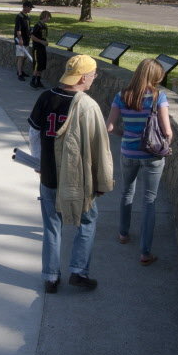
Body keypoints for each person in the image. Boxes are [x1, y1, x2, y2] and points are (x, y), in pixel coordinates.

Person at [28, 54, 113, 293]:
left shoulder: (46, 97)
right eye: (94, 75)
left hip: (49, 176)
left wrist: (38, 161)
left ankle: (51, 277)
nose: (94, 79)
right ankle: (78, 270)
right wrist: (101, 180)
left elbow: (34, 132)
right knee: (87, 219)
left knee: (52, 226)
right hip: (77, 179)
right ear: (84, 77)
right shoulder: (87, 105)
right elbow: (99, 146)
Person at [106, 58, 173, 266]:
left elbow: (109, 126)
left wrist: (123, 134)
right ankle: (145, 251)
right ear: (154, 77)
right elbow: (167, 131)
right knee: (149, 200)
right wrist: (164, 144)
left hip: (128, 152)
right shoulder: (158, 97)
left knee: (127, 191)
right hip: (151, 154)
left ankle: (123, 233)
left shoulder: (121, 96)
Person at [29, 10, 52, 88]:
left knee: (42, 65)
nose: (49, 19)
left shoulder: (44, 26)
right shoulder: (37, 25)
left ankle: (38, 81)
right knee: (37, 65)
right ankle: (33, 81)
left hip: (42, 48)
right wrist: (41, 41)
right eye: (48, 17)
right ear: (45, 16)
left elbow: (43, 37)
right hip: (37, 48)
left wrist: (45, 42)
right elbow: (32, 36)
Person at [14, 1, 33, 80]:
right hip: (20, 40)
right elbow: (18, 29)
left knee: (24, 57)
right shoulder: (19, 16)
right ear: (25, 7)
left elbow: (28, 27)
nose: (31, 9)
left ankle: (21, 70)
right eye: (29, 7)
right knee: (21, 57)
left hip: (26, 39)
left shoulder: (27, 16)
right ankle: (19, 73)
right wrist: (20, 39)